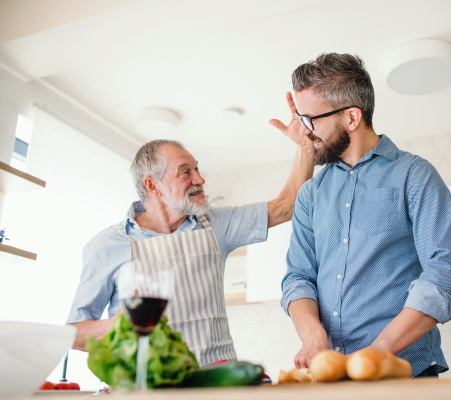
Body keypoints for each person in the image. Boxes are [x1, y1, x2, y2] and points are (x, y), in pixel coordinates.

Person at [67, 97, 314, 366]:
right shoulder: (107, 245)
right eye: (185, 172)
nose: (200, 179)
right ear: (153, 186)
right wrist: (114, 326)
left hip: (216, 384)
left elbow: (286, 206)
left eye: (197, 168)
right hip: (145, 387)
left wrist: (305, 146)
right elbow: (74, 333)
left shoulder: (216, 225)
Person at [281, 53, 451, 378]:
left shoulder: (415, 175)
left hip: (406, 373)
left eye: (310, 119)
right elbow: (298, 278)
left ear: (352, 117)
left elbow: (448, 271)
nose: (303, 130)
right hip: (333, 376)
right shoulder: (311, 194)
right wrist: (312, 333)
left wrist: (377, 352)